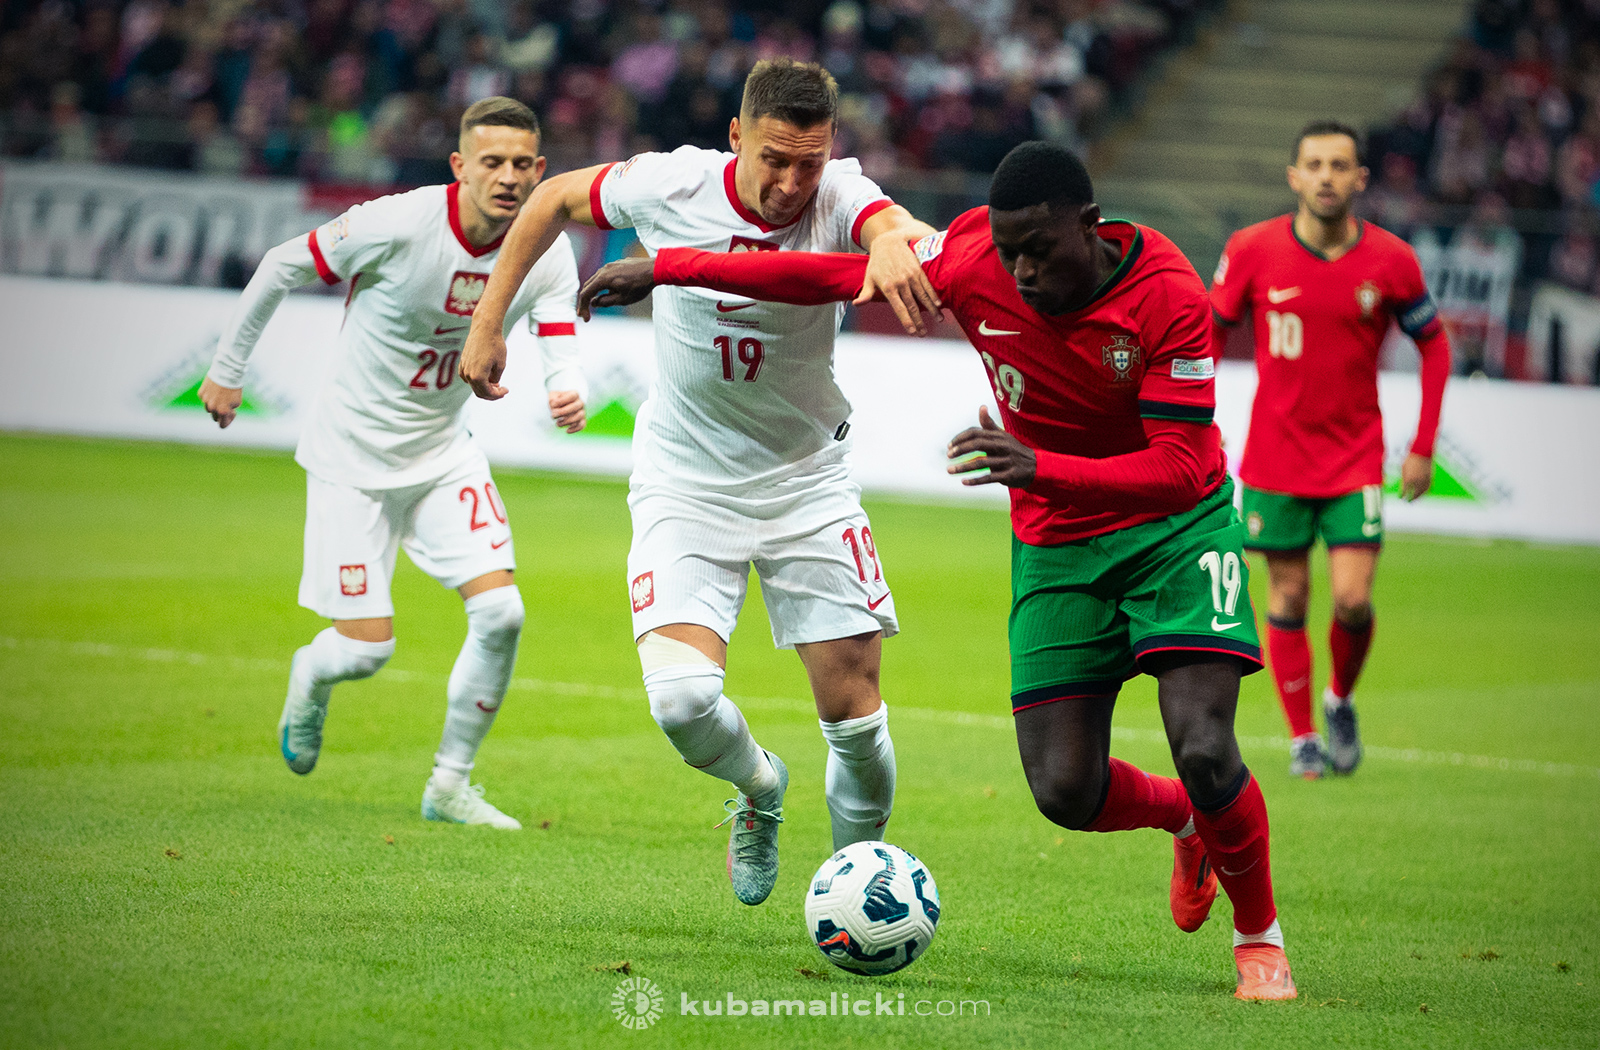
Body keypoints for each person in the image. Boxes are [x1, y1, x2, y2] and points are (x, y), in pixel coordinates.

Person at [576, 141, 1298, 1001]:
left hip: (1176, 531)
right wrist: (670, 270)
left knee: (1208, 747)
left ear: (1091, 228)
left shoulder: (1169, 296)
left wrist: (1040, 465)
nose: (1020, 269)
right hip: (1058, 543)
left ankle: (1259, 939)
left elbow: (1181, 463)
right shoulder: (970, 258)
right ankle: (1181, 818)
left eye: (1039, 248)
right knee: (1066, 791)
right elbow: (827, 277)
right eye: (1008, 248)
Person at [459, 59, 939, 906]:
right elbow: (549, 201)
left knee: (856, 721)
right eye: (773, 160)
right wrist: (490, 321)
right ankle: (760, 789)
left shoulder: (842, 194)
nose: (792, 183)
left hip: (806, 485)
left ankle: (862, 891)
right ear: (735, 140)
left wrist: (895, 235)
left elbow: (884, 219)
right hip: (685, 483)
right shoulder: (669, 184)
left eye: (810, 162)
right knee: (681, 702)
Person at [199, 97, 589, 829]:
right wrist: (228, 369)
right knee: (365, 651)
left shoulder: (545, 242)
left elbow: (557, 325)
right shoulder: (400, 221)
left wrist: (567, 386)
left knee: (503, 612)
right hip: (351, 460)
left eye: (520, 165)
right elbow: (284, 264)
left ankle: (449, 784)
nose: (506, 178)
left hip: (444, 456)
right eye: (491, 162)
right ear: (460, 166)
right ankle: (311, 675)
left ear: (541, 172)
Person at [1210, 120, 1451, 779]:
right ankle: (1303, 738)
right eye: (1313, 164)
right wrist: (1189, 420)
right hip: (1275, 458)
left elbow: (1435, 343)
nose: (1325, 176)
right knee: (1287, 595)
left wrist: (1423, 446)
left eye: (1339, 165)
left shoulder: (1391, 260)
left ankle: (1340, 698)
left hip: (1353, 459)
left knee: (1350, 598)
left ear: (1359, 179)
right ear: (1293, 176)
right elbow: (1206, 332)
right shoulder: (1252, 249)